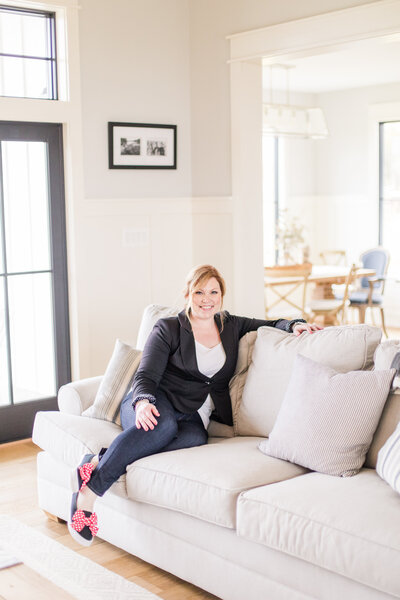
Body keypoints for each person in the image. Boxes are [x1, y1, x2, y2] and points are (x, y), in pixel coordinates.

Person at [68, 264, 322, 545]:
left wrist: (294, 324)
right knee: (162, 427)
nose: (207, 298)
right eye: (199, 291)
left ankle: (96, 461)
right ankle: (89, 495)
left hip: (187, 412)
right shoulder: (168, 328)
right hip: (151, 403)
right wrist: (141, 402)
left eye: (214, 291)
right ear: (188, 293)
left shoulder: (230, 325)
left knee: (195, 437)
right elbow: (146, 375)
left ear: (222, 296)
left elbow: (270, 324)